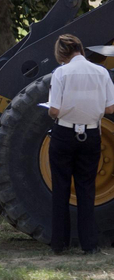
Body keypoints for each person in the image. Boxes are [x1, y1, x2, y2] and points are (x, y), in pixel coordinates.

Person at [47, 34, 114, 255]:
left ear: (62, 53)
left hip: (64, 133)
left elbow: (54, 110)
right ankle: (89, 245)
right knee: (87, 189)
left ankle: (59, 244)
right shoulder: (101, 72)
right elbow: (110, 108)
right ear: (80, 49)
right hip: (91, 134)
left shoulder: (61, 73)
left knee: (61, 188)